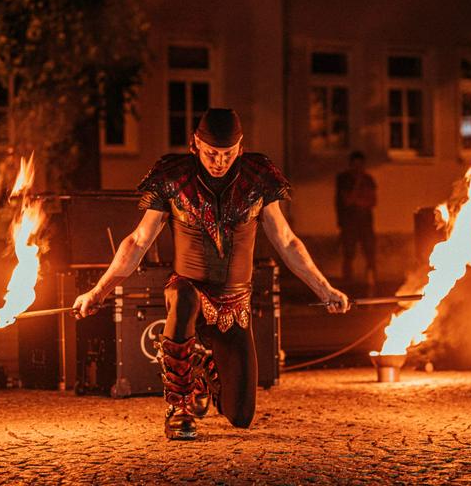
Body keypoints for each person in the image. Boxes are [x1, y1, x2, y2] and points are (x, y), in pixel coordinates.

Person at [73, 108, 349, 440]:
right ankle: (180, 405)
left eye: (227, 154)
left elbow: (287, 242)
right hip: (188, 288)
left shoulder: (257, 177)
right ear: (195, 144)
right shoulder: (173, 177)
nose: (219, 161)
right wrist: (98, 292)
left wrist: (325, 290)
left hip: (235, 304)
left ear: (240, 147)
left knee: (241, 416)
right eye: (211, 153)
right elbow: (137, 241)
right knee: (184, 296)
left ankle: (202, 371)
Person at [335, 151, 377, 289]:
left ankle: (371, 281)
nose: (358, 168)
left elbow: (372, 201)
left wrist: (358, 201)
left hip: (366, 223)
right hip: (349, 223)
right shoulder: (344, 179)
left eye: (361, 165)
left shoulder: (369, 179)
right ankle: (347, 283)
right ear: (351, 165)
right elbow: (347, 200)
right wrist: (357, 185)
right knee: (348, 253)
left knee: (370, 252)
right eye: (355, 165)